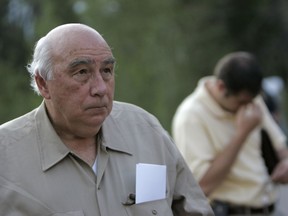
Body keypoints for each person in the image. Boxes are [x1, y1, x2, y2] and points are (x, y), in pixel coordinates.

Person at [0, 23, 214, 216]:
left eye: (107, 71)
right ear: (43, 83)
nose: (101, 88)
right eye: (82, 72)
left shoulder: (145, 130)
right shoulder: (6, 158)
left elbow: (195, 210)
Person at [172, 52, 288, 216]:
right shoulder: (190, 116)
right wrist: (242, 134)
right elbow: (201, 187)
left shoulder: (251, 100)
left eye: (252, 101)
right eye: (241, 102)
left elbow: (280, 146)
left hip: (269, 208)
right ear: (221, 87)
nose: (247, 107)